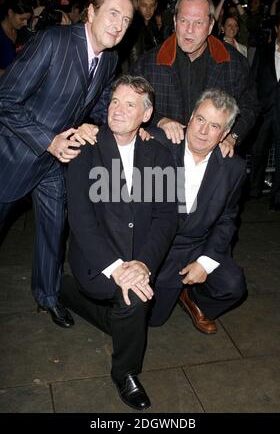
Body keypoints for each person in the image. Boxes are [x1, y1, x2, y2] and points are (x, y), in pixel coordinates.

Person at [0, 0, 138, 329]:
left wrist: (134, 124)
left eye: (126, 19)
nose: (118, 25)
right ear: (90, 12)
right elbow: (6, 100)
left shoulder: (110, 58)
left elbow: (102, 101)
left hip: (53, 163)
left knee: (54, 227)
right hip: (13, 156)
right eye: (112, 13)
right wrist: (49, 141)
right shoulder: (53, 42)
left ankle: (47, 295)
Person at [61, 75, 178, 410]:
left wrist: (142, 263)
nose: (118, 109)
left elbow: (166, 218)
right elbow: (81, 221)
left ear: (146, 114)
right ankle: (125, 372)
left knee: (134, 304)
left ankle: (66, 292)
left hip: (139, 258)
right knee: (135, 299)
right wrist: (118, 269)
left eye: (130, 104)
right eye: (115, 101)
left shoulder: (159, 154)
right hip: (97, 262)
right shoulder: (87, 149)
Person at [147, 88, 247, 334]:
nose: (203, 131)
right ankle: (174, 290)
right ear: (190, 117)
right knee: (153, 320)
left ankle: (195, 299)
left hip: (198, 243)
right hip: (159, 246)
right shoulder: (158, 143)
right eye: (200, 119)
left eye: (214, 126)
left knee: (233, 285)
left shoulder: (233, 167)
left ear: (224, 134)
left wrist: (204, 262)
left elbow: (227, 220)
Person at [131, 0, 257, 158]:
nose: (189, 30)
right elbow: (131, 106)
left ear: (211, 25)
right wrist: (160, 120)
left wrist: (232, 136)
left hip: (211, 160)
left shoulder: (233, 63)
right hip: (162, 158)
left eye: (198, 23)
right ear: (175, 21)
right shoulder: (148, 64)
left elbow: (250, 105)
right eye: (184, 21)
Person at [249, 10, 280, 211]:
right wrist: (255, 108)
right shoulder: (263, 51)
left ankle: (278, 195)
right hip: (263, 112)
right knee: (258, 152)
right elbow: (253, 81)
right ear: (276, 29)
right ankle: (254, 189)